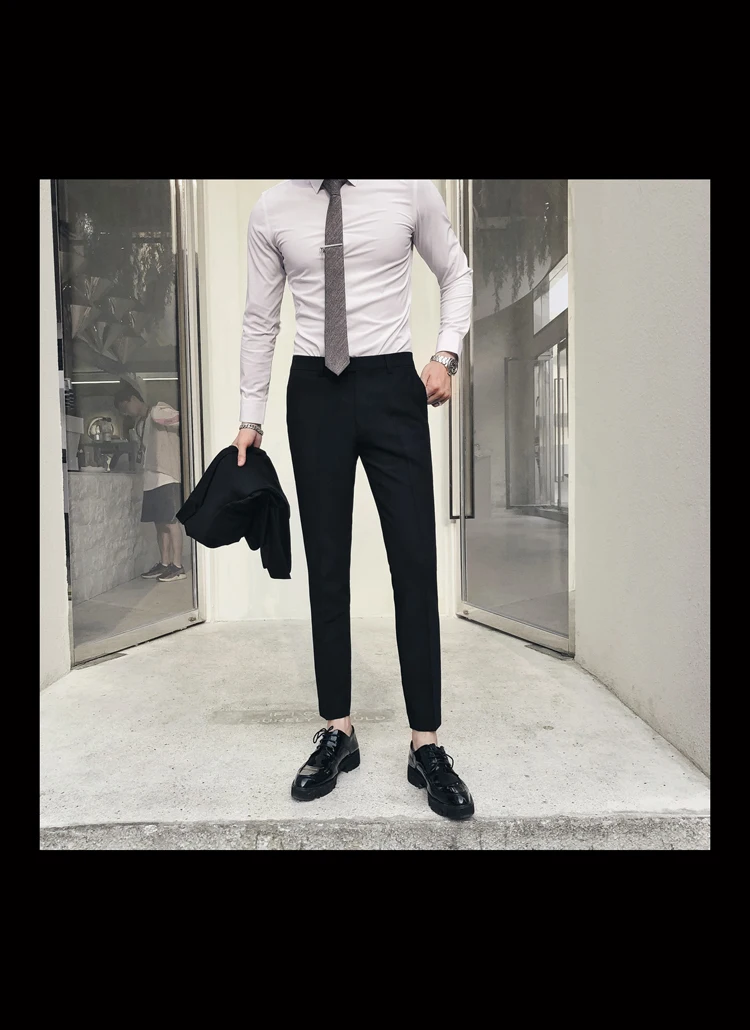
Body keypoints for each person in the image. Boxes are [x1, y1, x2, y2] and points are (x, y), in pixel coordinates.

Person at [234, 180, 475, 820]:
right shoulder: (273, 208)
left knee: (415, 564)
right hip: (314, 390)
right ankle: (338, 730)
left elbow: (456, 272)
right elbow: (260, 317)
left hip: (394, 383)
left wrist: (446, 353)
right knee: (327, 564)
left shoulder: (408, 189)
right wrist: (251, 415)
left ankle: (426, 743)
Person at [114, 381, 185, 584]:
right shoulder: (140, 424)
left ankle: (177, 566)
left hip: (167, 474)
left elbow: (182, 420)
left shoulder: (157, 411)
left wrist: (160, 416)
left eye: (125, 408)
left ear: (133, 399)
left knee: (171, 521)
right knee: (159, 522)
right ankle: (165, 563)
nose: (126, 413)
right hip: (151, 476)